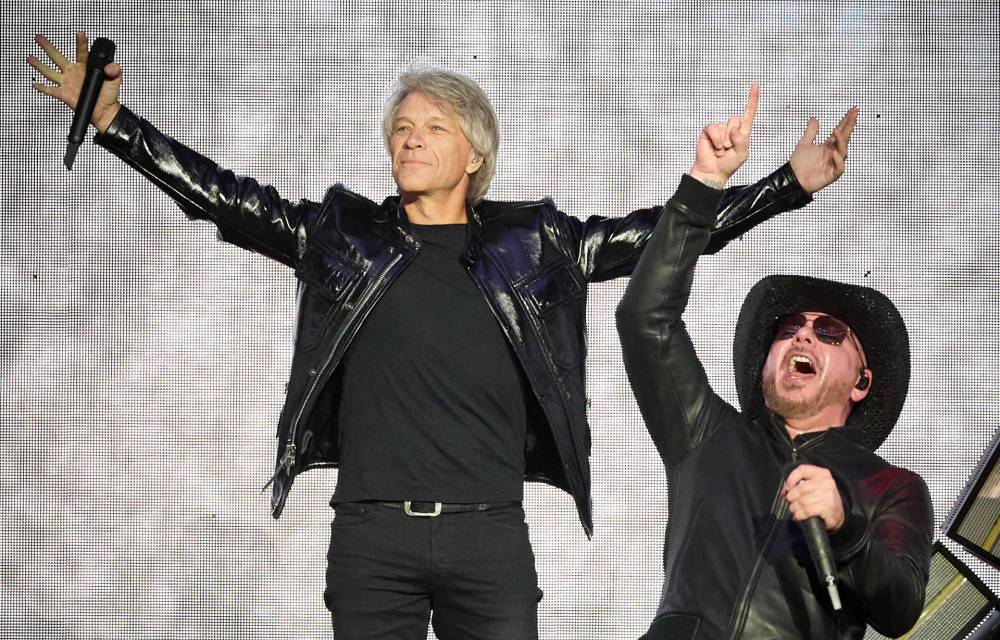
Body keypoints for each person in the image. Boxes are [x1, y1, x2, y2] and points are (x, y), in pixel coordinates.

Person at [31, 31, 852, 639]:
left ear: (473, 153)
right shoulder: (344, 234)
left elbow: (657, 237)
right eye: (400, 128)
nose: (409, 138)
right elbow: (227, 202)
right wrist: (115, 124)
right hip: (372, 536)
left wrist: (784, 185)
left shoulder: (536, 245)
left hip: (488, 536)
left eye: (431, 126)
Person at [615, 86, 933, 639]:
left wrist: (846, 524)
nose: (801, 336)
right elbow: (645, 317)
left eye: (828, 332)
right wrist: (703, 188)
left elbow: (902, 608)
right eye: (788, 330)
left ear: (862, 382)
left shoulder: (892, 486)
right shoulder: (707, 433)